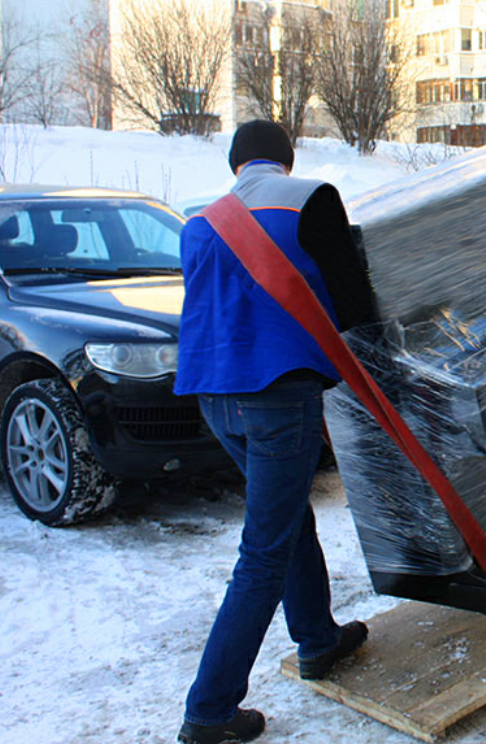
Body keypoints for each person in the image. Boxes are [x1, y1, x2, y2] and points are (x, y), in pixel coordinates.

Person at [174, 120, 376, 744]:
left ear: (236, 165)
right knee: (261, 553)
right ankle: (208, 712)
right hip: (279, 397)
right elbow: (354, 303)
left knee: (286, 519)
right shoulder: (309, 200)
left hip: (215, 398)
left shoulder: (199, 222)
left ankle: (318, 637)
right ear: (288, 160)